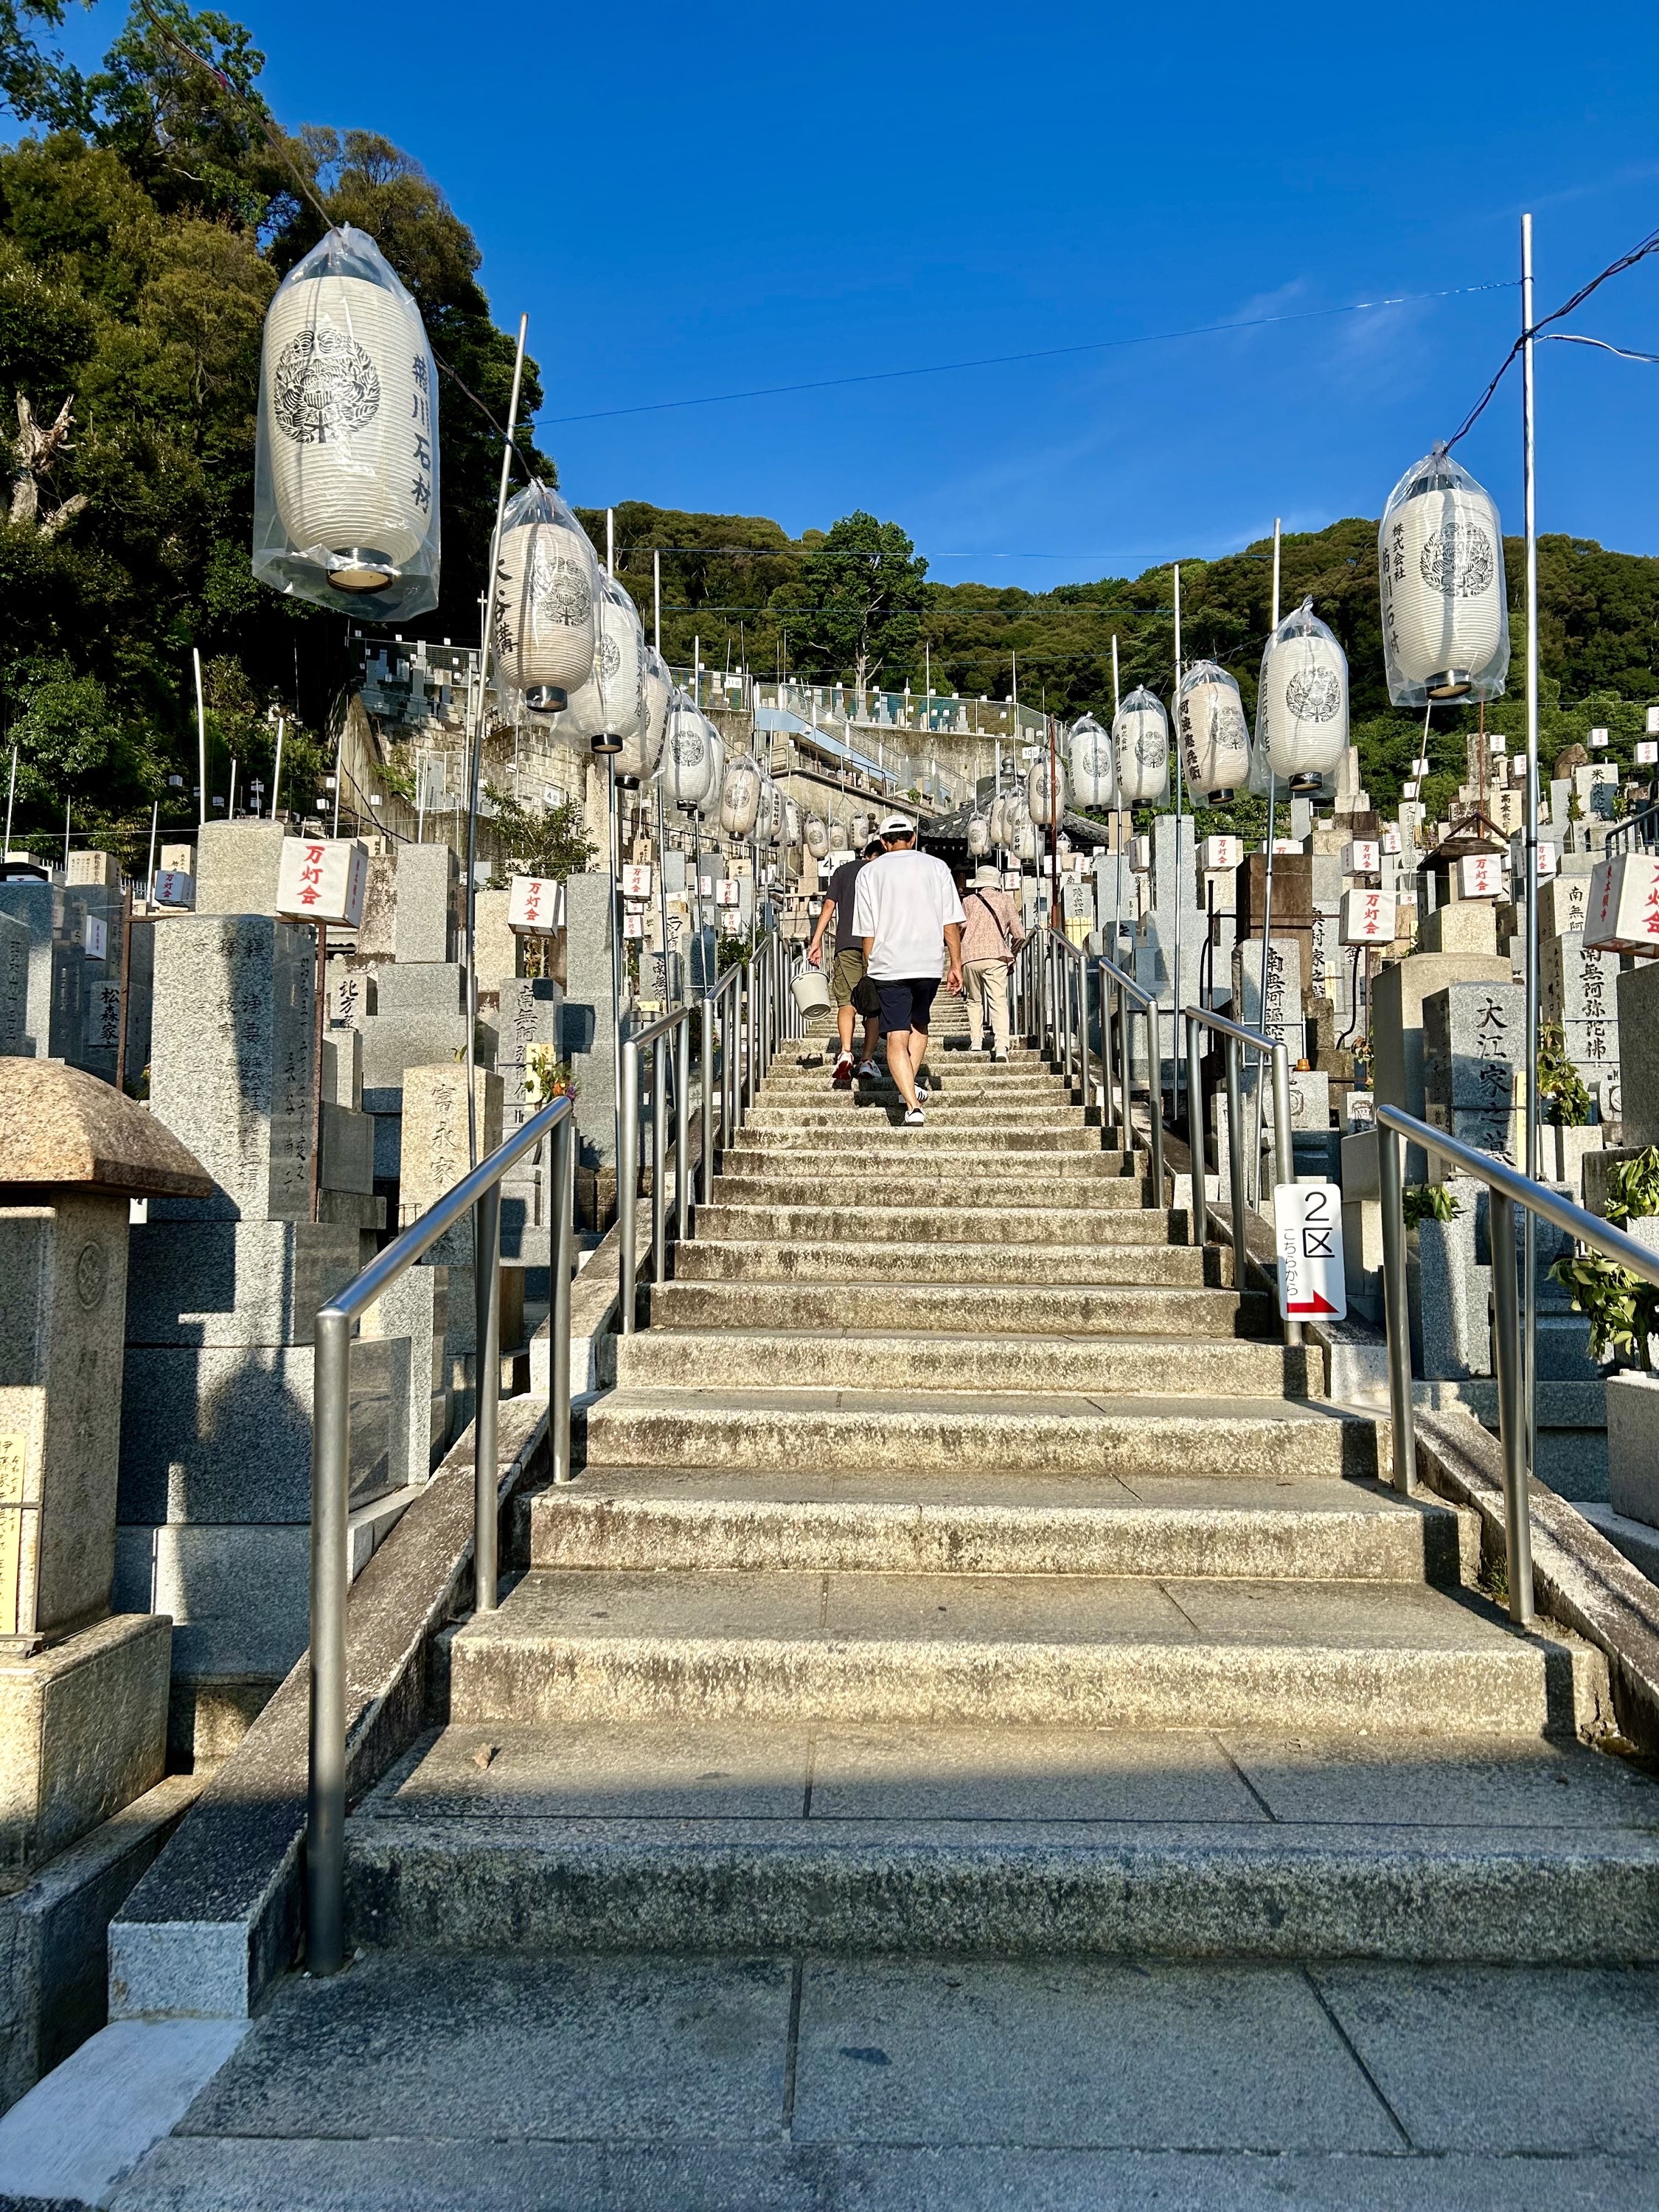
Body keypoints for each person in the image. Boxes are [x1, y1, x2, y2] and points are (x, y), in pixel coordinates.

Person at [852, 815, 964, 1127]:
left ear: (884, 842)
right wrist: (955, 964)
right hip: (928, 962)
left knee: (896, 1037)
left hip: (888, 964)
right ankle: (908, 1088)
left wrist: (869, 965)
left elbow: (867, 929)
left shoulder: (870, 873)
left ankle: (913, 1105)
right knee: (919, 1025)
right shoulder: (937, 867)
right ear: (912, 838)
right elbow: (950, 923)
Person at [805, 835, 885, 1086]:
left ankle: (846, 1052)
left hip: (847, 945)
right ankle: (868, 1060)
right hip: (880, 946)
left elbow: (828, 906)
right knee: (873, 1005)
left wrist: (816, 941)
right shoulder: (884, 873)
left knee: (846, 1002)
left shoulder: (843, 871)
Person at [959, 863, 1027, 1060]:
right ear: (997, 883)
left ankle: (976, 1041)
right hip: (996, 956)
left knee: (974, 1000)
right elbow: (1020, 935)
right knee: (998, 1001)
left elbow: (962, 927)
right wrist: (1012, 954)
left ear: (979, 883)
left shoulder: (969, 901)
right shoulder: (1006, 900)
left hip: (970, 957)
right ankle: (1001, 1046)